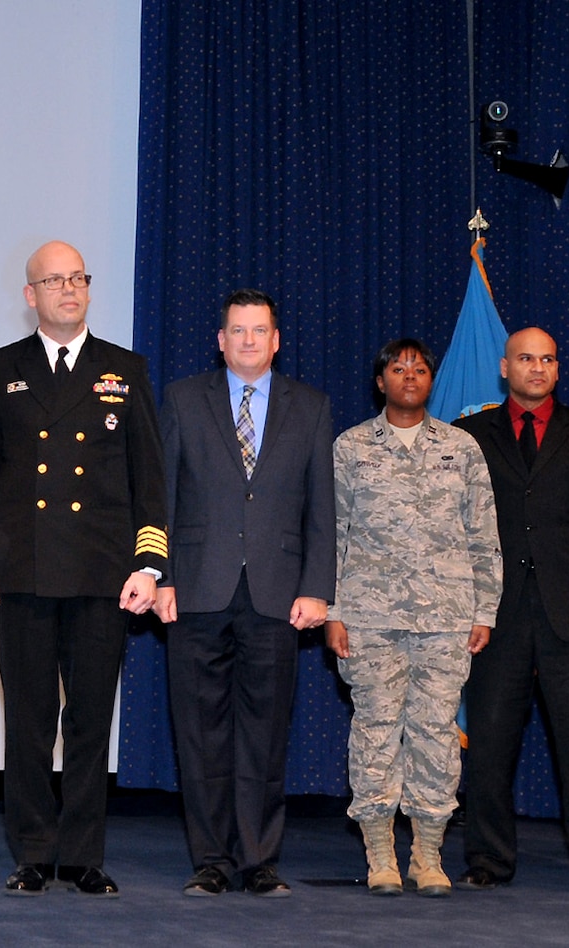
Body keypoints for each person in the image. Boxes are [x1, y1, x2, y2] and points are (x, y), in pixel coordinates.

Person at [0, 240, 168, 897]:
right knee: (28, 722)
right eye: (53, 280)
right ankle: (31, 851)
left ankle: (81, 855)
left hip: (100, 574)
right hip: (22, 573)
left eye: (77, 278)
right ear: (31, 295)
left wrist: (148, 563)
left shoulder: (124, 369)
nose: (68, 290)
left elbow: (150, 481)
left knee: (88, 718)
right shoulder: (1, 369)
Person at [153, 289, 334, 898]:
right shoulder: (181, 398)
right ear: (221, 340)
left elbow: (321, 507)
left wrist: (317, 588)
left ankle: (258, 860)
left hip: (278, 595)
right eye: (238, 330)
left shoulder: (310, 407)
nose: (249, 340)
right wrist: (161, 577)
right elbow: (163, 499)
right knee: (200, 732)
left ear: (276, 340)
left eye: (260, 331)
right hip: (197, 588)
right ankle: (210, 859)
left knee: (265, 731)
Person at [453, 327, 569, 899]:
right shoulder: (467, 435)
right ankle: (487, 858)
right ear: (504, 368)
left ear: (558, 369)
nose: (537, 368)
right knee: (489, 744)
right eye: (526, 359)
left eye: (548, 359)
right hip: (495, 612)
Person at [327, 339, 500, 897]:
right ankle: (381, 855)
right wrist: (333, 611)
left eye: (419, 369)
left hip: (447, 619)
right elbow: (331, 536)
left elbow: (483, 536)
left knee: (435, 735)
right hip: (370, 618)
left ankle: (428, 855)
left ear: (431, 380)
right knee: (375, 731)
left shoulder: (462, 448)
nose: (409, 377)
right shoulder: (351, 448)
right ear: (380, 381)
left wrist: (485, 610)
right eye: (397, 369)